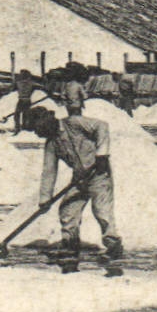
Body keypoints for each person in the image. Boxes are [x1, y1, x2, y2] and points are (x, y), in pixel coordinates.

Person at [29, 105, 121, 275]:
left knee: (101, 210)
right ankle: (70, 244)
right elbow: (49, 170)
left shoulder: (75, 123)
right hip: (79, 179)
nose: (37, 133)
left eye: (37, 128)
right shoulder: (51, 144)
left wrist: (102, 154)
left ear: (47, 121)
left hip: (99, 173)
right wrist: (45, 198)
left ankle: (113, 246)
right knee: (68, 209)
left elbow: (102, 126)